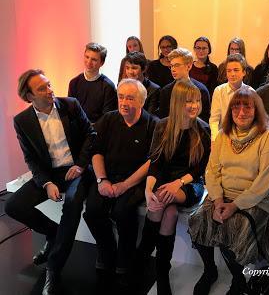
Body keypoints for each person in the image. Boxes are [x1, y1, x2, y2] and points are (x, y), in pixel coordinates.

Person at [5, 69, 96, 295]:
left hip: (76, 169)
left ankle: (53, 269)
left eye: (49, 85)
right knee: (13, 206)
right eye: (42, 89)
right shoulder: (22, 121)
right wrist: (46, 183)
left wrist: (81, 165)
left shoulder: (70, 105)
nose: (49, 91)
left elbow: (90, 135)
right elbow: (31, 159)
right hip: (50, 174)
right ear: (29, 97)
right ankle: (53, 232)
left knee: (73, 204)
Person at [188, 88, 269, 295]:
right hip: (222, 195)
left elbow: (264, 181)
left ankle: (239, 279)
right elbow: (212, 171)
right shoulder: (222, 135)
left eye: (247, 106)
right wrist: (218, 199)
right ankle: (210, 271)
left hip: (256, 198)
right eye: (236, 107)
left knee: (235, 226)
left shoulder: (268, 136)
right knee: (198, 219)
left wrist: (234, 205)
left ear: (256, 110)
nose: (241, 112)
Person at [137, 80, 211, 295]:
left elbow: (200, 169)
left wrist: (178, 183)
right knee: (168, 213)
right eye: (189, 101)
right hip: (165, 181)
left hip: (190, 183)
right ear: (178, 102)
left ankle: (144, 252)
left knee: (164, 200)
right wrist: (148, 190)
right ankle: (162, 273)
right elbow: (156, 163)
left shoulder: (203, 129)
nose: (194, 105)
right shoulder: (163, 126)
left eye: (196, 100)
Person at [83, 79, 158, 287]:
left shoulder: (153, 124)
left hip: (135, 180)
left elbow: (152, 161)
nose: (124, 102)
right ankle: (106, 249)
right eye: (121, 96)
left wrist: (125, 185)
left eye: (130, 98)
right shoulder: (108, 119)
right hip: (107, 176)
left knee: (122, 212)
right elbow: (95, 151)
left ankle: (126, 255)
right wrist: (101, 180)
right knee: (92, 211)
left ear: (142, 101)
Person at [68, 42, 117, 123]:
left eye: (94, 59)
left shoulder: (108, 86)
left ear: (102, 63)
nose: (89, 62)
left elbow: (107, 119)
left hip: (98, 132)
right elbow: (71, 112)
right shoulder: (74, 83)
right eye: (87, 57)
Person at [158, 48, 211, 122]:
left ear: (189, 66)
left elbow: (205, 118)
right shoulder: (166, 91)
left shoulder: (201, 90)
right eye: (171, 66)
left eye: (176, 65)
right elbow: (163, 118)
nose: (173, 69)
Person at [210, 53, 254, 141]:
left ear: (244, 72)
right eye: (229, 71)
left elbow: (251, 121)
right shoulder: (219, 91)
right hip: (223, 137)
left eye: (236, 70)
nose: (232, 74)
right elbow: (214, 120)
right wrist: (215, 140)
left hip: (244, 138)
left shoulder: (251, 92)